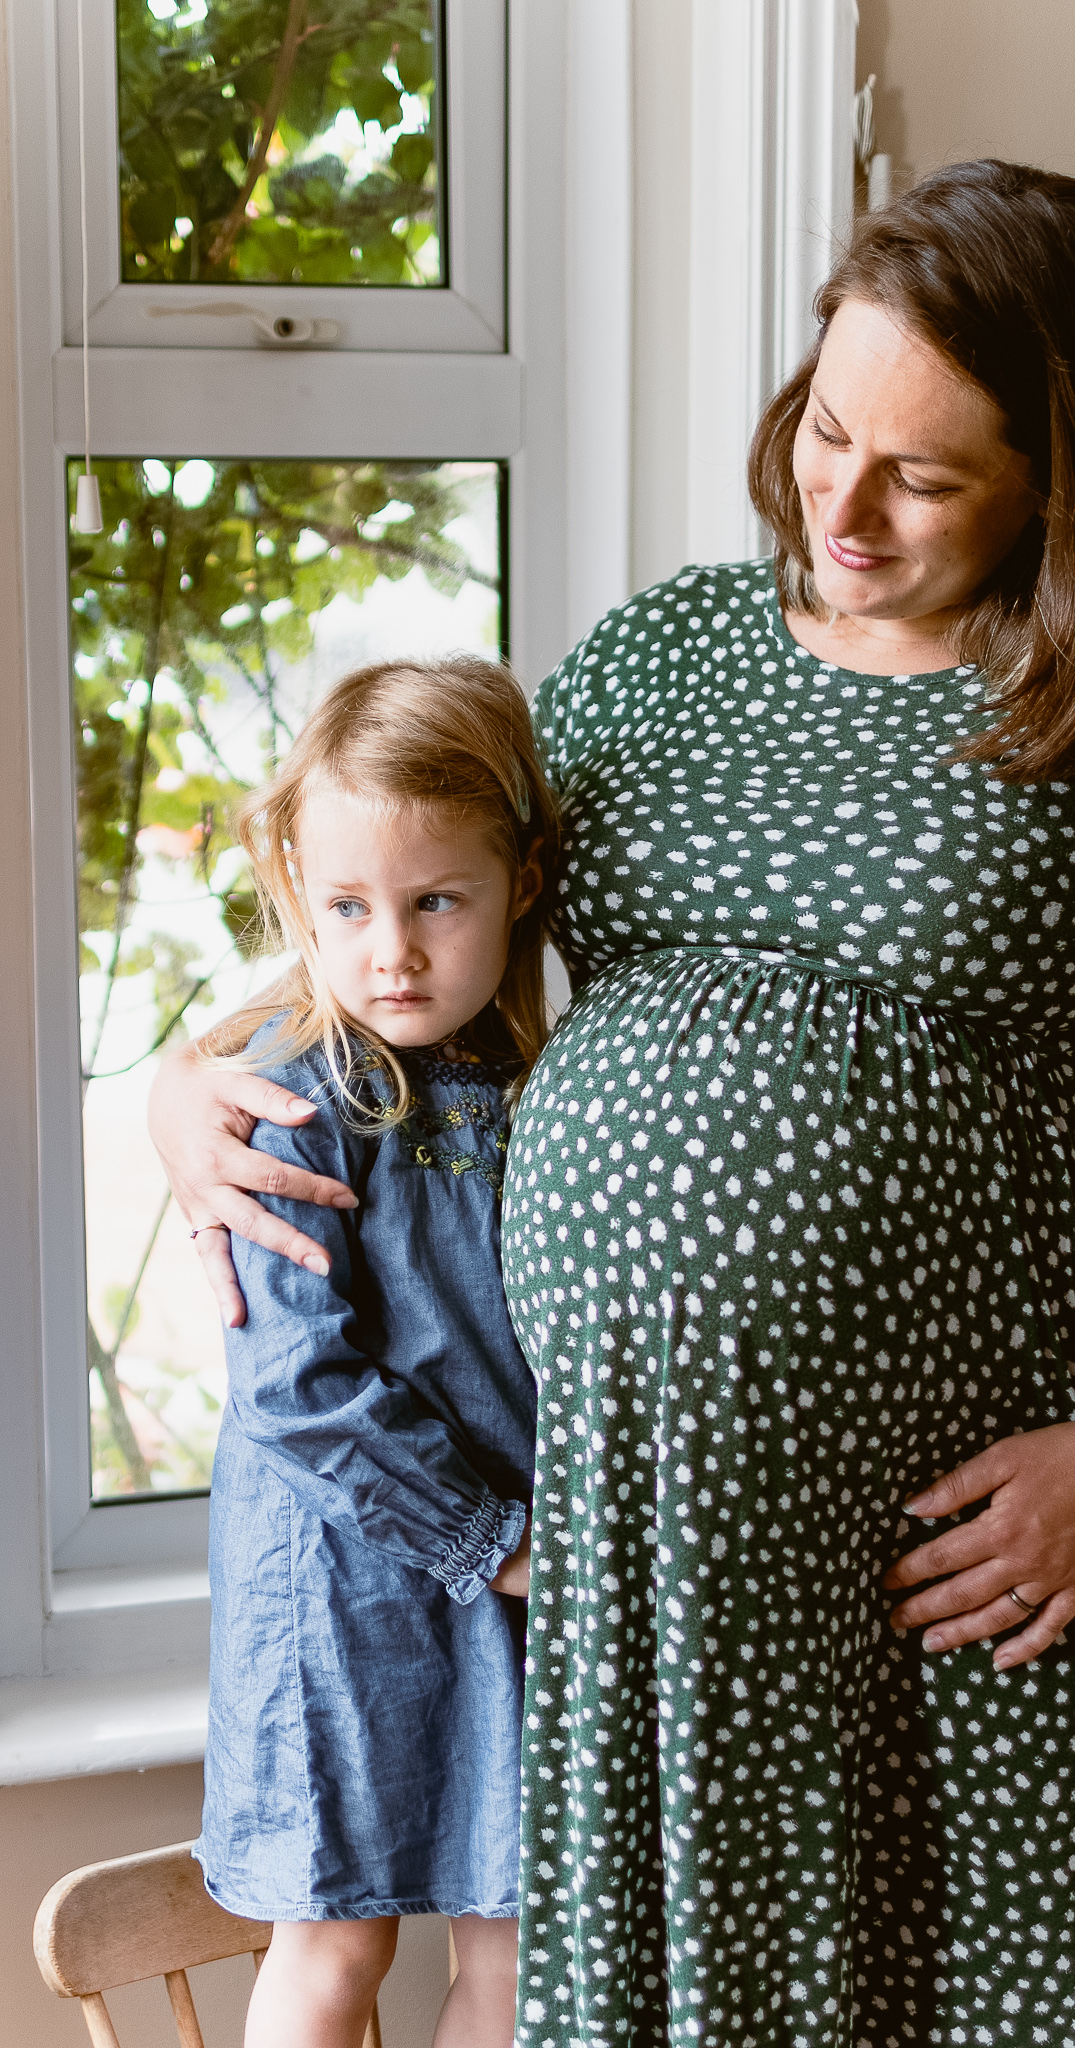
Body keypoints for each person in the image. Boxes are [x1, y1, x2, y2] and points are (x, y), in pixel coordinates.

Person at [153, 162, 1075, 2048]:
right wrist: (189, 1078)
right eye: (828, 426)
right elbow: (423, 914)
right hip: (649, 1544)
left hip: (979, 1545)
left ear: (1063, 476)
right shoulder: (650, 657)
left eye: (926, 474)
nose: (842, 504)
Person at [189, 657, 556, 2048]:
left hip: (514, 1577)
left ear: (519, 883)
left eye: (432, 902)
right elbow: (294, 1387)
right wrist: (489, 1538)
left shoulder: (535, 1082)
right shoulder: (288, 1089)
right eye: (347, 907)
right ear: (295, 885)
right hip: (340, 1585)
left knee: (515, 1944)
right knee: (333, 1942)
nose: (389, 951)